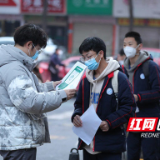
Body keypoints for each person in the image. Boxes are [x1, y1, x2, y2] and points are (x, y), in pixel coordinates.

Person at [0, 24, 77, 160]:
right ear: (29, 45)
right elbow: (29, 102)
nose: (38, 53)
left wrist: (51, 86)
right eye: (39, 49)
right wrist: (62, 95)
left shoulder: (15, 64)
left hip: (15, 138)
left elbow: (25, 91)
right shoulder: (15, 69)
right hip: (19, 141)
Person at [71, 37, 136, 160]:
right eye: (84, 57)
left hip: (110, 146)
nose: (86, 61)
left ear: (101, 53)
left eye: (89, 56)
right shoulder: (85, 80)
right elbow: (78, 104)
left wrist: (109, 122)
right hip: (88, 145)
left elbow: (129, 108)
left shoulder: (119, 78)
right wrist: (76, 115)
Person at [123, 31, 160, 160]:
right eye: (125, 44)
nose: (127, 47)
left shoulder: (151, 66)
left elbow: (157, 92)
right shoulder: (123, 69)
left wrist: (138, 97)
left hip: (150, 118)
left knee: (150, 154)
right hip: (132, 119)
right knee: (132, 154)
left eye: (130, 44)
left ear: (139, 46)